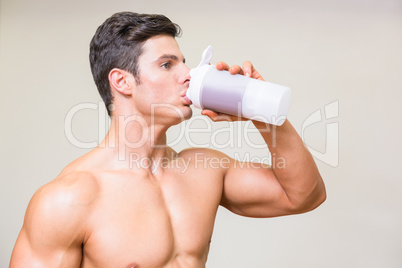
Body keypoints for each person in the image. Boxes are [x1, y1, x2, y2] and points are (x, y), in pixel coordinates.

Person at [10, 11, 326, 268]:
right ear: (122, 81)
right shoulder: (69, 199)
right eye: (167, 64)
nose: (188, 73)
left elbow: (303, 196)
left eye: (183, 62)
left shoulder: (202, 169)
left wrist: (260, 110)